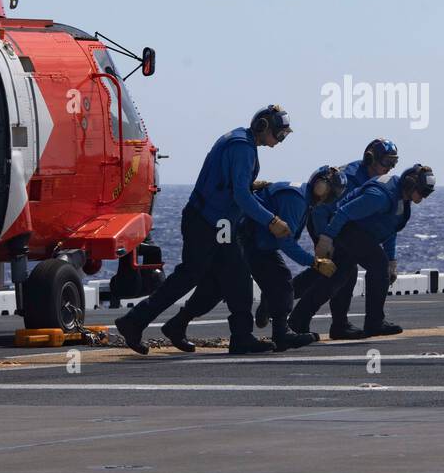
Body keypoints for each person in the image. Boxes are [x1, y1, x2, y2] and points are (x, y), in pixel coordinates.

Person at [115, 105, 293, 355]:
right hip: (208, 222)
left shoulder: (240, 140)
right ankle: (135, 321)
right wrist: (272, 221)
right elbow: (240, 197)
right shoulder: (242, 147)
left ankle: (189, 327)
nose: (280, 140)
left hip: (216, 223)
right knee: (193, 275)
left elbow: (228, 184)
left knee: (233, 277)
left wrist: (251, 185)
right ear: (263, 127)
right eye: (279, 134)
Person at [167, 166, 346, 351]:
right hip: (247, 241)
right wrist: (314, 262)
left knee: (267, 282)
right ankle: (258, 335)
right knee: (233, 287)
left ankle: (279, 332)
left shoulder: (301, 197)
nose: (328, 197)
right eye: (329, 191)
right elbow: (286, 242)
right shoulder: (296, 200)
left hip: (256, 242)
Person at [294, 163, 436, 338]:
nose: (423, 197)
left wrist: (392, 260)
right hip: (346, 229)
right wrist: (326, 238)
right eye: (422, 192)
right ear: (410, 184)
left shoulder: (400, 198)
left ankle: (298, 321)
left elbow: (389, 229)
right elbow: (343, 212)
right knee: (377, 265)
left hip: (355, 232)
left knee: (336, 277)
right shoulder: (379, 196)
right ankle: (374, 323)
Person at [286, 138, 400, 339]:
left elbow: (387, 224)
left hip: (345, 229)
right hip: (324, 222)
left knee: (336, 271)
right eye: (386, 162)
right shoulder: (350, 177)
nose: (389, 168)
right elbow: (321, 208)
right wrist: (324, 239)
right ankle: (303, 317)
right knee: (336, 270)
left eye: (393, 163)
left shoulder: (380, 185)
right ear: (370, 159)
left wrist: (391, 258)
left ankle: (335, 324)